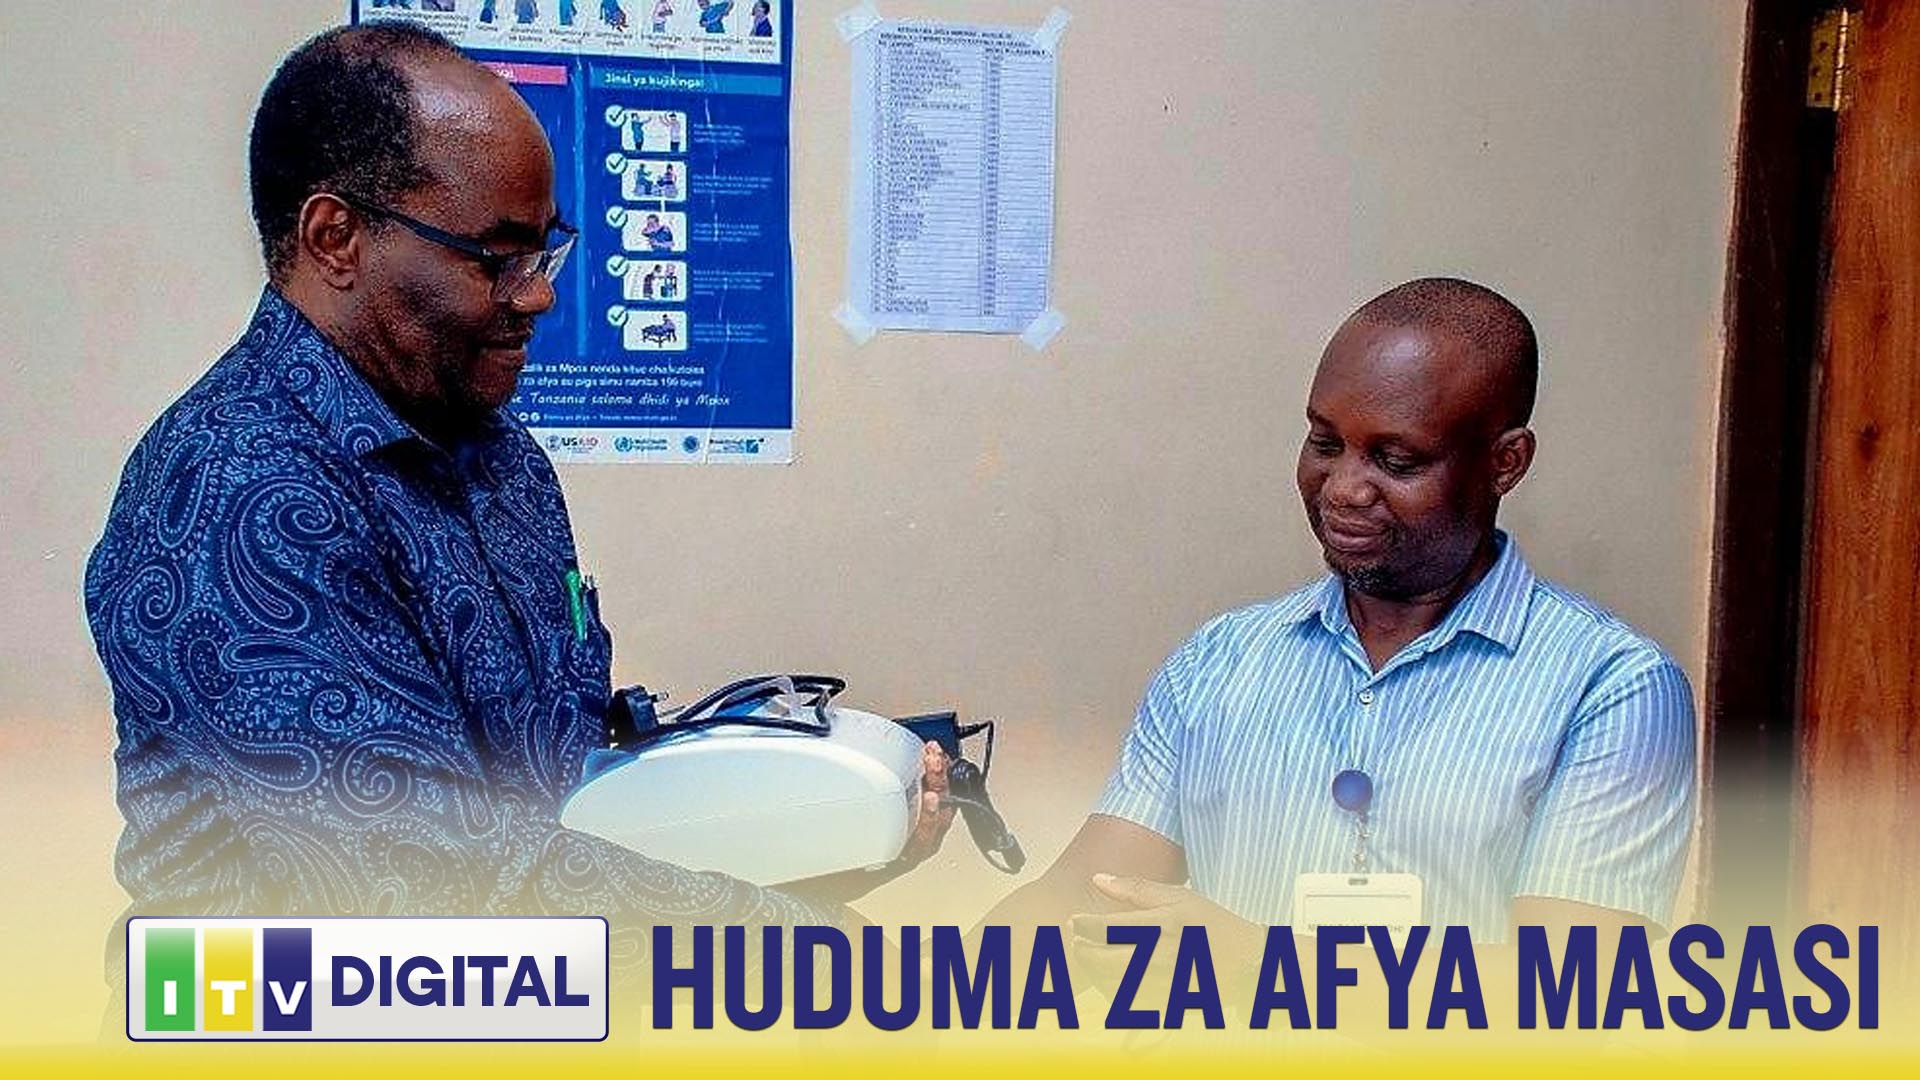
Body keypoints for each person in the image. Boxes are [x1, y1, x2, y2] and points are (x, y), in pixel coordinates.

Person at [85, 22, 948, 990]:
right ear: (336, 239)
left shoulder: (495, 455)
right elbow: (435, 888)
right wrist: (808, 950)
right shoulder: (237, 494)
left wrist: (830, 818)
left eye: (545, 253)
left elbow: (551, 777)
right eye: (496, 257)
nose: (537, 297)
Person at [982, 278, 1695, 966]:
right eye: (1325, 443)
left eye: (1396, 459)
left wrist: (1263, 963)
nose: (1345, 489)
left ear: (1506, 462)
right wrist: (926, 974)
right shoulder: (1219, 661)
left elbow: (1570, 986)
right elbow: (1083, 900)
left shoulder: (1612, 687)